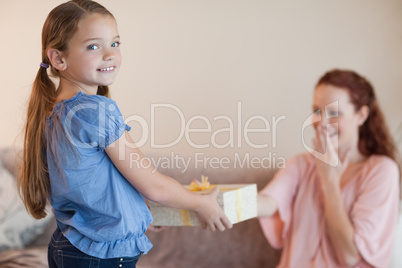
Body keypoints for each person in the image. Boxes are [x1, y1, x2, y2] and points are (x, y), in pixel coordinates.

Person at [18, 0, 232, 267]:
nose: (109, 54)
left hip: (71, 247)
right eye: (93, 46)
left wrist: (134, 211)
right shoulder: (94, 112)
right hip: (97, 256)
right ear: (59, 59)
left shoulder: (54, 111)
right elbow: (153, 184)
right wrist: (200, 204)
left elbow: (94, 183)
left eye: (115, 43)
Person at [258, 69, 400, 268]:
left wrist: (329, 181)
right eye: (317, 111)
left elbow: (349, 256)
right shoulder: (301, 164)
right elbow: (266, 203)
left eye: (334, 113)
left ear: (361, 115)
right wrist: (214, 201)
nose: (322, 123)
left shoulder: (382, 171)